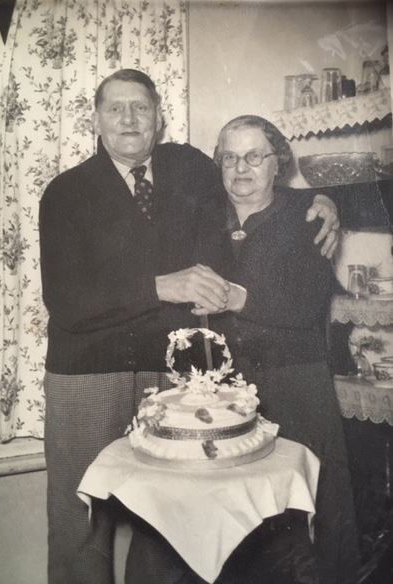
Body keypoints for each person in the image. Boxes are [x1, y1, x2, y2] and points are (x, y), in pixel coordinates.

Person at [39, 70, 340, 584]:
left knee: (167, 522)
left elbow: (254, 182)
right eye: (116, 108)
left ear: (159, 117)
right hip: (87, 376)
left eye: (141, 108)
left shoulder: (187, 167)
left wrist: (323, 203)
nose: (130, 119)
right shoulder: (65, 192)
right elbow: (66, 301)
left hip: (167, 373)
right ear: (95, 119)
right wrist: (161, 286)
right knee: (82, 520)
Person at [205, 115, 359, 584]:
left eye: (255, 156)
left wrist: (238, 297)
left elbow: (307, 301)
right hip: (233, 387)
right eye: (230, 158)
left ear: (278, 164)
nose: (241, 168)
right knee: (245, 517)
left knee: (319, 507)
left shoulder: (306, 216)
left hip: (298, 381)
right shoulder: (207, 217)